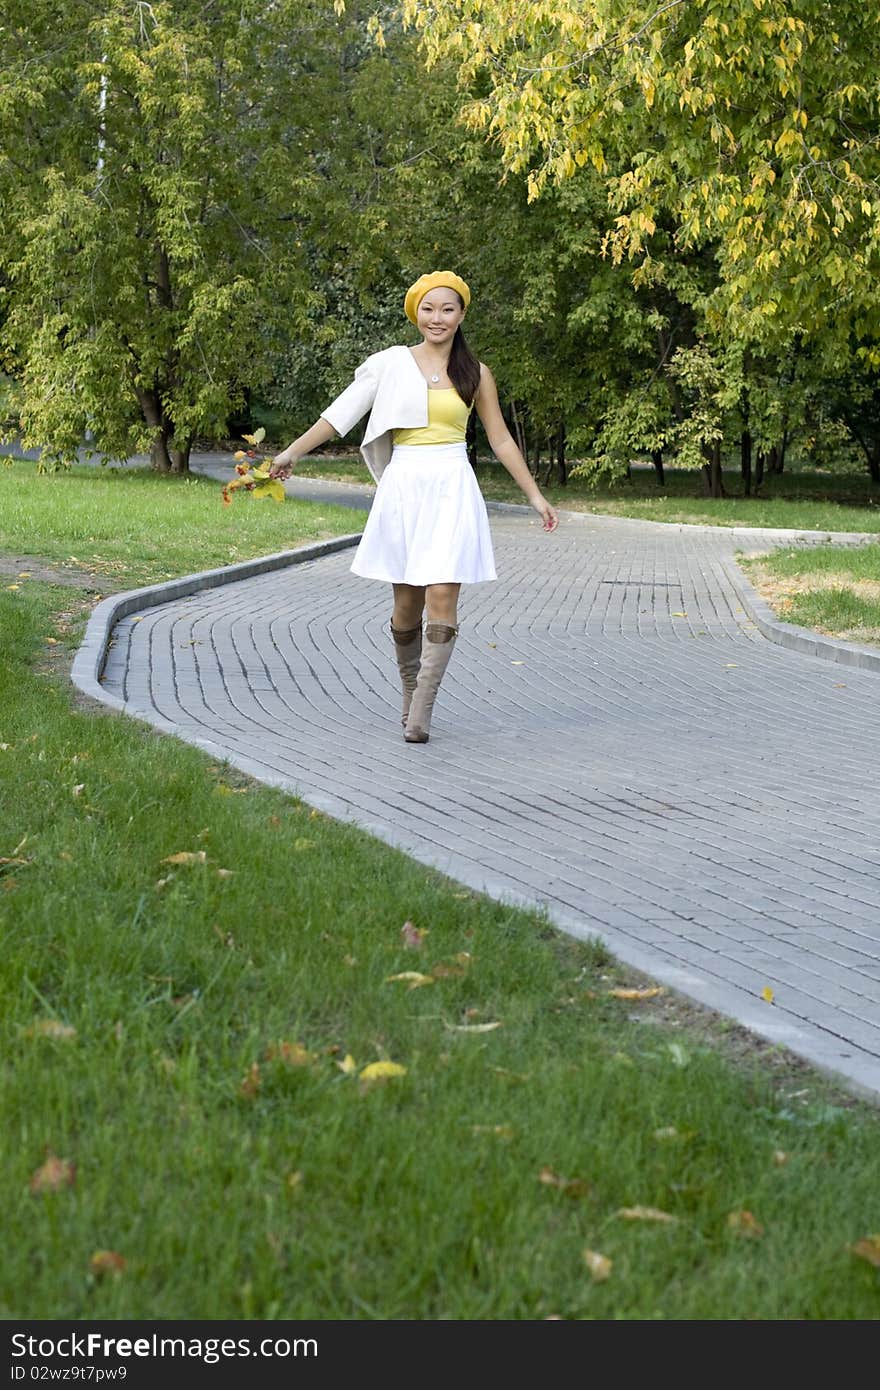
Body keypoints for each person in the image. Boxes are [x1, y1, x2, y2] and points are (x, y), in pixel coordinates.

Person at [270, 270, 558, 744]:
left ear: (461, 314)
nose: (437, 318)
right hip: (404, 486)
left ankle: (421, 711)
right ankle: (409, 691)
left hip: (452, 486)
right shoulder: (390, 364)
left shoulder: (475, 374)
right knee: (407, 607)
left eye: (447, 309)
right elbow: (339, 414)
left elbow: (500, 438)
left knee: (443, 596)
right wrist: (291, 453)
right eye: (428, 309)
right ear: (415, 313)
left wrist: (534, 495)